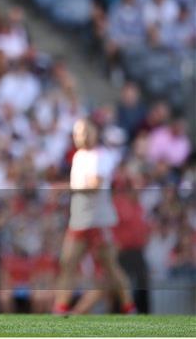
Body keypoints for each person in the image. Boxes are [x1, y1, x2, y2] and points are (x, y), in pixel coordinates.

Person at [52, 119, 136, 315]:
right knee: (67, 263)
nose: (80, 136)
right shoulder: (79, 157)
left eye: (84, 131)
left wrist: (64, 188)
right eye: (77, 132)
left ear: (95, 133)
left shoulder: (102, 156)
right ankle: (60, 309)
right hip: (80, 218)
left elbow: (95, 184)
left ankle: (129, 307)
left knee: (111, 268)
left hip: (98, 219)